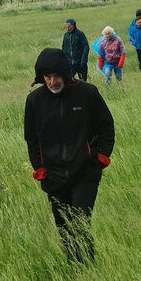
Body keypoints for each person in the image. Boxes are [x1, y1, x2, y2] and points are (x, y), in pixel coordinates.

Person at [24, 49, 115, 264]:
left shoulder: (87, 93)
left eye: (56, 76)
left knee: (80, 221)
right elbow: (31, 139)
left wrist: (101, 158)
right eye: (47, 77)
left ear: (65, 74)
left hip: (85, 172)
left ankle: (88, 267)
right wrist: (40, 169)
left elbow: (106, 126)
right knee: (64, 227)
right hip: (53, 177)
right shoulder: (34, 101)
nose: (52, 82)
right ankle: (74, 268)